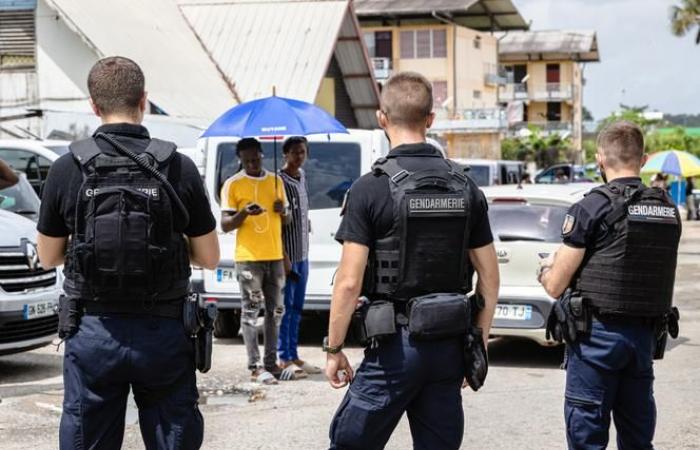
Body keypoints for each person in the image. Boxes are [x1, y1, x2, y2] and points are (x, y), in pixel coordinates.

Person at [36, 56, 220, 450]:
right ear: (145, 100)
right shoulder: (178, 167)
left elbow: (49, 256)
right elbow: (208, 257)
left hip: (94, 331)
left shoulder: (68, 168)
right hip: (164, 331)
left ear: (93, 105)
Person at [325, 72, 500, 450]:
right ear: (431, 119)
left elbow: (349, 282)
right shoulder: (465, 185)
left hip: (392, 348)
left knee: (349, 443)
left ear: (382, 118)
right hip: (449, 346)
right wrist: (479, 343)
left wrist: (334, 349)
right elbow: (488, 275)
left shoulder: (370, 188)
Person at [538, 120, 681, 450]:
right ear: (643, 160)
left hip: (596, 339)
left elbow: (555, 286)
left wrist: (547, 270)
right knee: (637, 438)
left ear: (599, 159)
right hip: (643, 340)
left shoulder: (592, 207)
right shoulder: (666, 209)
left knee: (586, 437)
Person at [220, 138, 290, 384]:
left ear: (262, 155)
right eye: (247, 160)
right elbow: (225, 225)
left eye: (256, 158)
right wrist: (243, 213)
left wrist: (284, 211)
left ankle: (272, 364)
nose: (252, 164)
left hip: (274, 256)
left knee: (276, 313)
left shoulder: (275, 180)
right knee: (251, 312)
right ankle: (255, 366)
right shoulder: (233, 184)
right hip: (248, 259)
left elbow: (287, 220)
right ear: (240, 159)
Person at [277, 136, 321, 376]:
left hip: (303, 253)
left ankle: (293, 354)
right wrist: (283, 256)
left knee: (297, 307)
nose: (299, 156)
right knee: (285, 307)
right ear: (285, 154)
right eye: (294, 152)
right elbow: (278, 224)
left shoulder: (302, 176)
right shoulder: (279, 181)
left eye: (302, 152)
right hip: (288, 255)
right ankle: (283, 357)